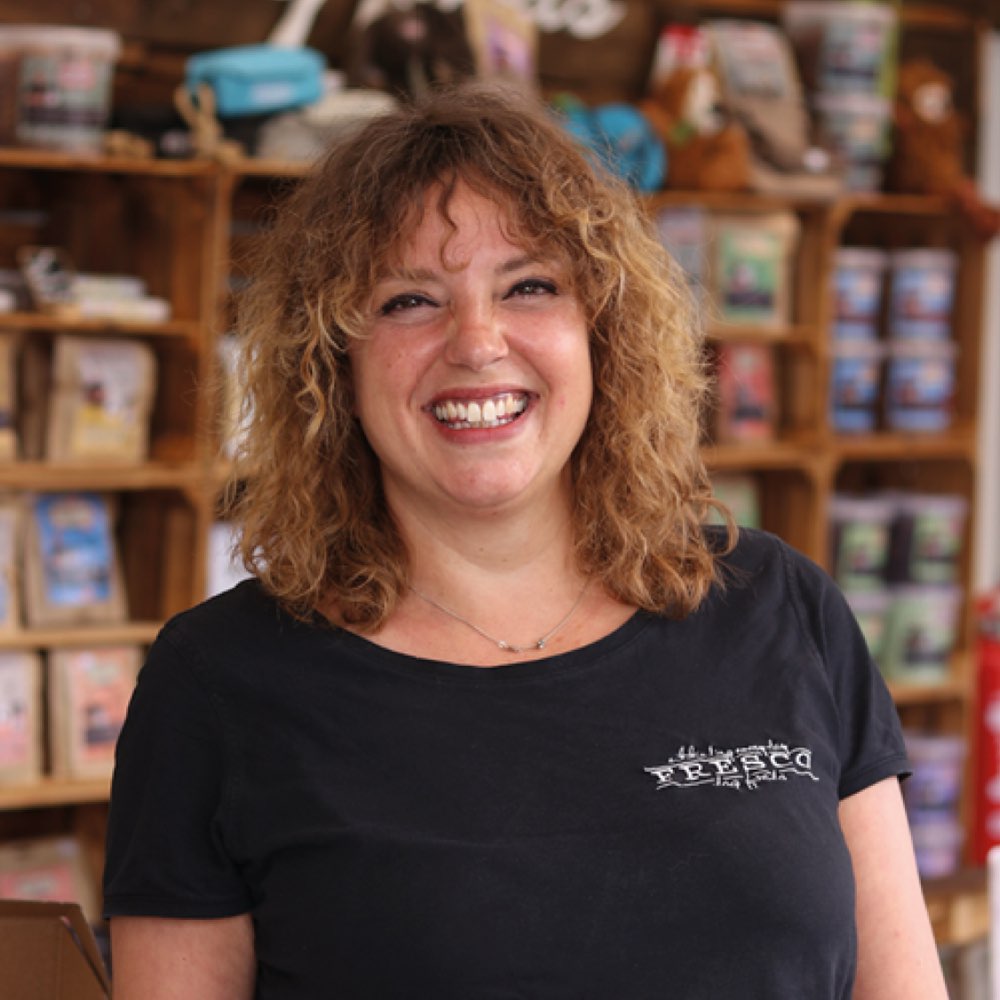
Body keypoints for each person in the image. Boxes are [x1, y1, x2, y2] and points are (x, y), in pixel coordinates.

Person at [103, 81, 947, 999]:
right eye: (409, 300)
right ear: (331, 362)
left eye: (530, 287)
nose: (477, 342)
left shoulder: (780, 608)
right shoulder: (217, 684)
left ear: (604, 330)